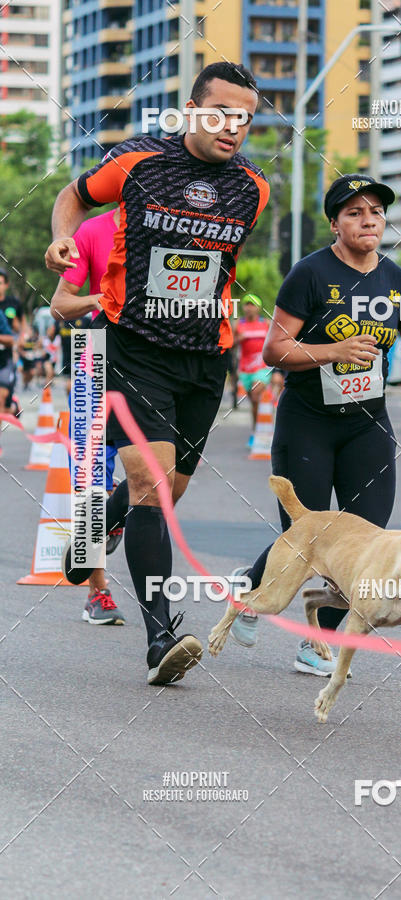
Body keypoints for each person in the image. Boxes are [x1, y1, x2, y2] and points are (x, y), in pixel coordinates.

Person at [45, 61, 269, 685]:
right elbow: (74, 195)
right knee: (152, 485)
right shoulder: (139, 160)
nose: (233, 127)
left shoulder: (253, 186)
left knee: (172, 488)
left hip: (204, 357)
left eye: (245, 118)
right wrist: (64, 239)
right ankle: (162, 638)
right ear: (192, 108)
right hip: (134, 347)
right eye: (221, 113)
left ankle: (101, 524)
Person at [227, 173, 401, 673]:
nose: (367, 219)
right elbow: (274, 350)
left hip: (367, 426)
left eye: (375, 211)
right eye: (354, 212)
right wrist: (334, 350)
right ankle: (249, 586)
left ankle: (316, 641)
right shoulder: (309, 274)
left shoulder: (399, 281)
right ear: (335, 223)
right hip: (308, 421)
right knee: (309, 535)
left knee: (363, 541)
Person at [50, 206, 126, 625]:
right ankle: (99, 593)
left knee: (154, 475)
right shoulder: (94, 231)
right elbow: (60, 306)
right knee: (91, 482)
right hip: (94, 359)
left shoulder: (177, 226)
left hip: (155, 366)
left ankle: (117, 512)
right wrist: (103, 297)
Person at [234, 293, 271, 445]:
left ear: (258, 308)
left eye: (252, 305)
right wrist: (238, 339)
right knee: (253, 402)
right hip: (245, 370)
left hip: (262, 367)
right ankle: (255, 429)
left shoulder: (266, 323)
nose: (249, 308)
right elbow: (228, 345)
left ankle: (260, 429)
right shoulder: (238, 325)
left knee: (256, 394)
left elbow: (274, 344)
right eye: (247, 305)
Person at [0, 308, 16, 458]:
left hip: (3, 363)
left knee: (0, 400)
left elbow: (10, 340)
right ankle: (13, 407)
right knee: (4, 408)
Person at [18, 325, 42, 390]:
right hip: (23, 358)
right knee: (23, 372)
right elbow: (19, 347)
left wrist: (36, 348)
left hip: (31, 358)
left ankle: (27, 382)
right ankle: (25, 383)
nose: (30, 332)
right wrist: (24, 354)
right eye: (29, 330)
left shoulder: (35, 338)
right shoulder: (24, 338)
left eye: (31, 330)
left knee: (32, 372)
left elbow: (39, 346)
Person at [0, 269, 24, 333]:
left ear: (6, 285)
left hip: (11, 339)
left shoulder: (14, 302)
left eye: (0, 283)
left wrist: (23, 335)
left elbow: (23, 324)